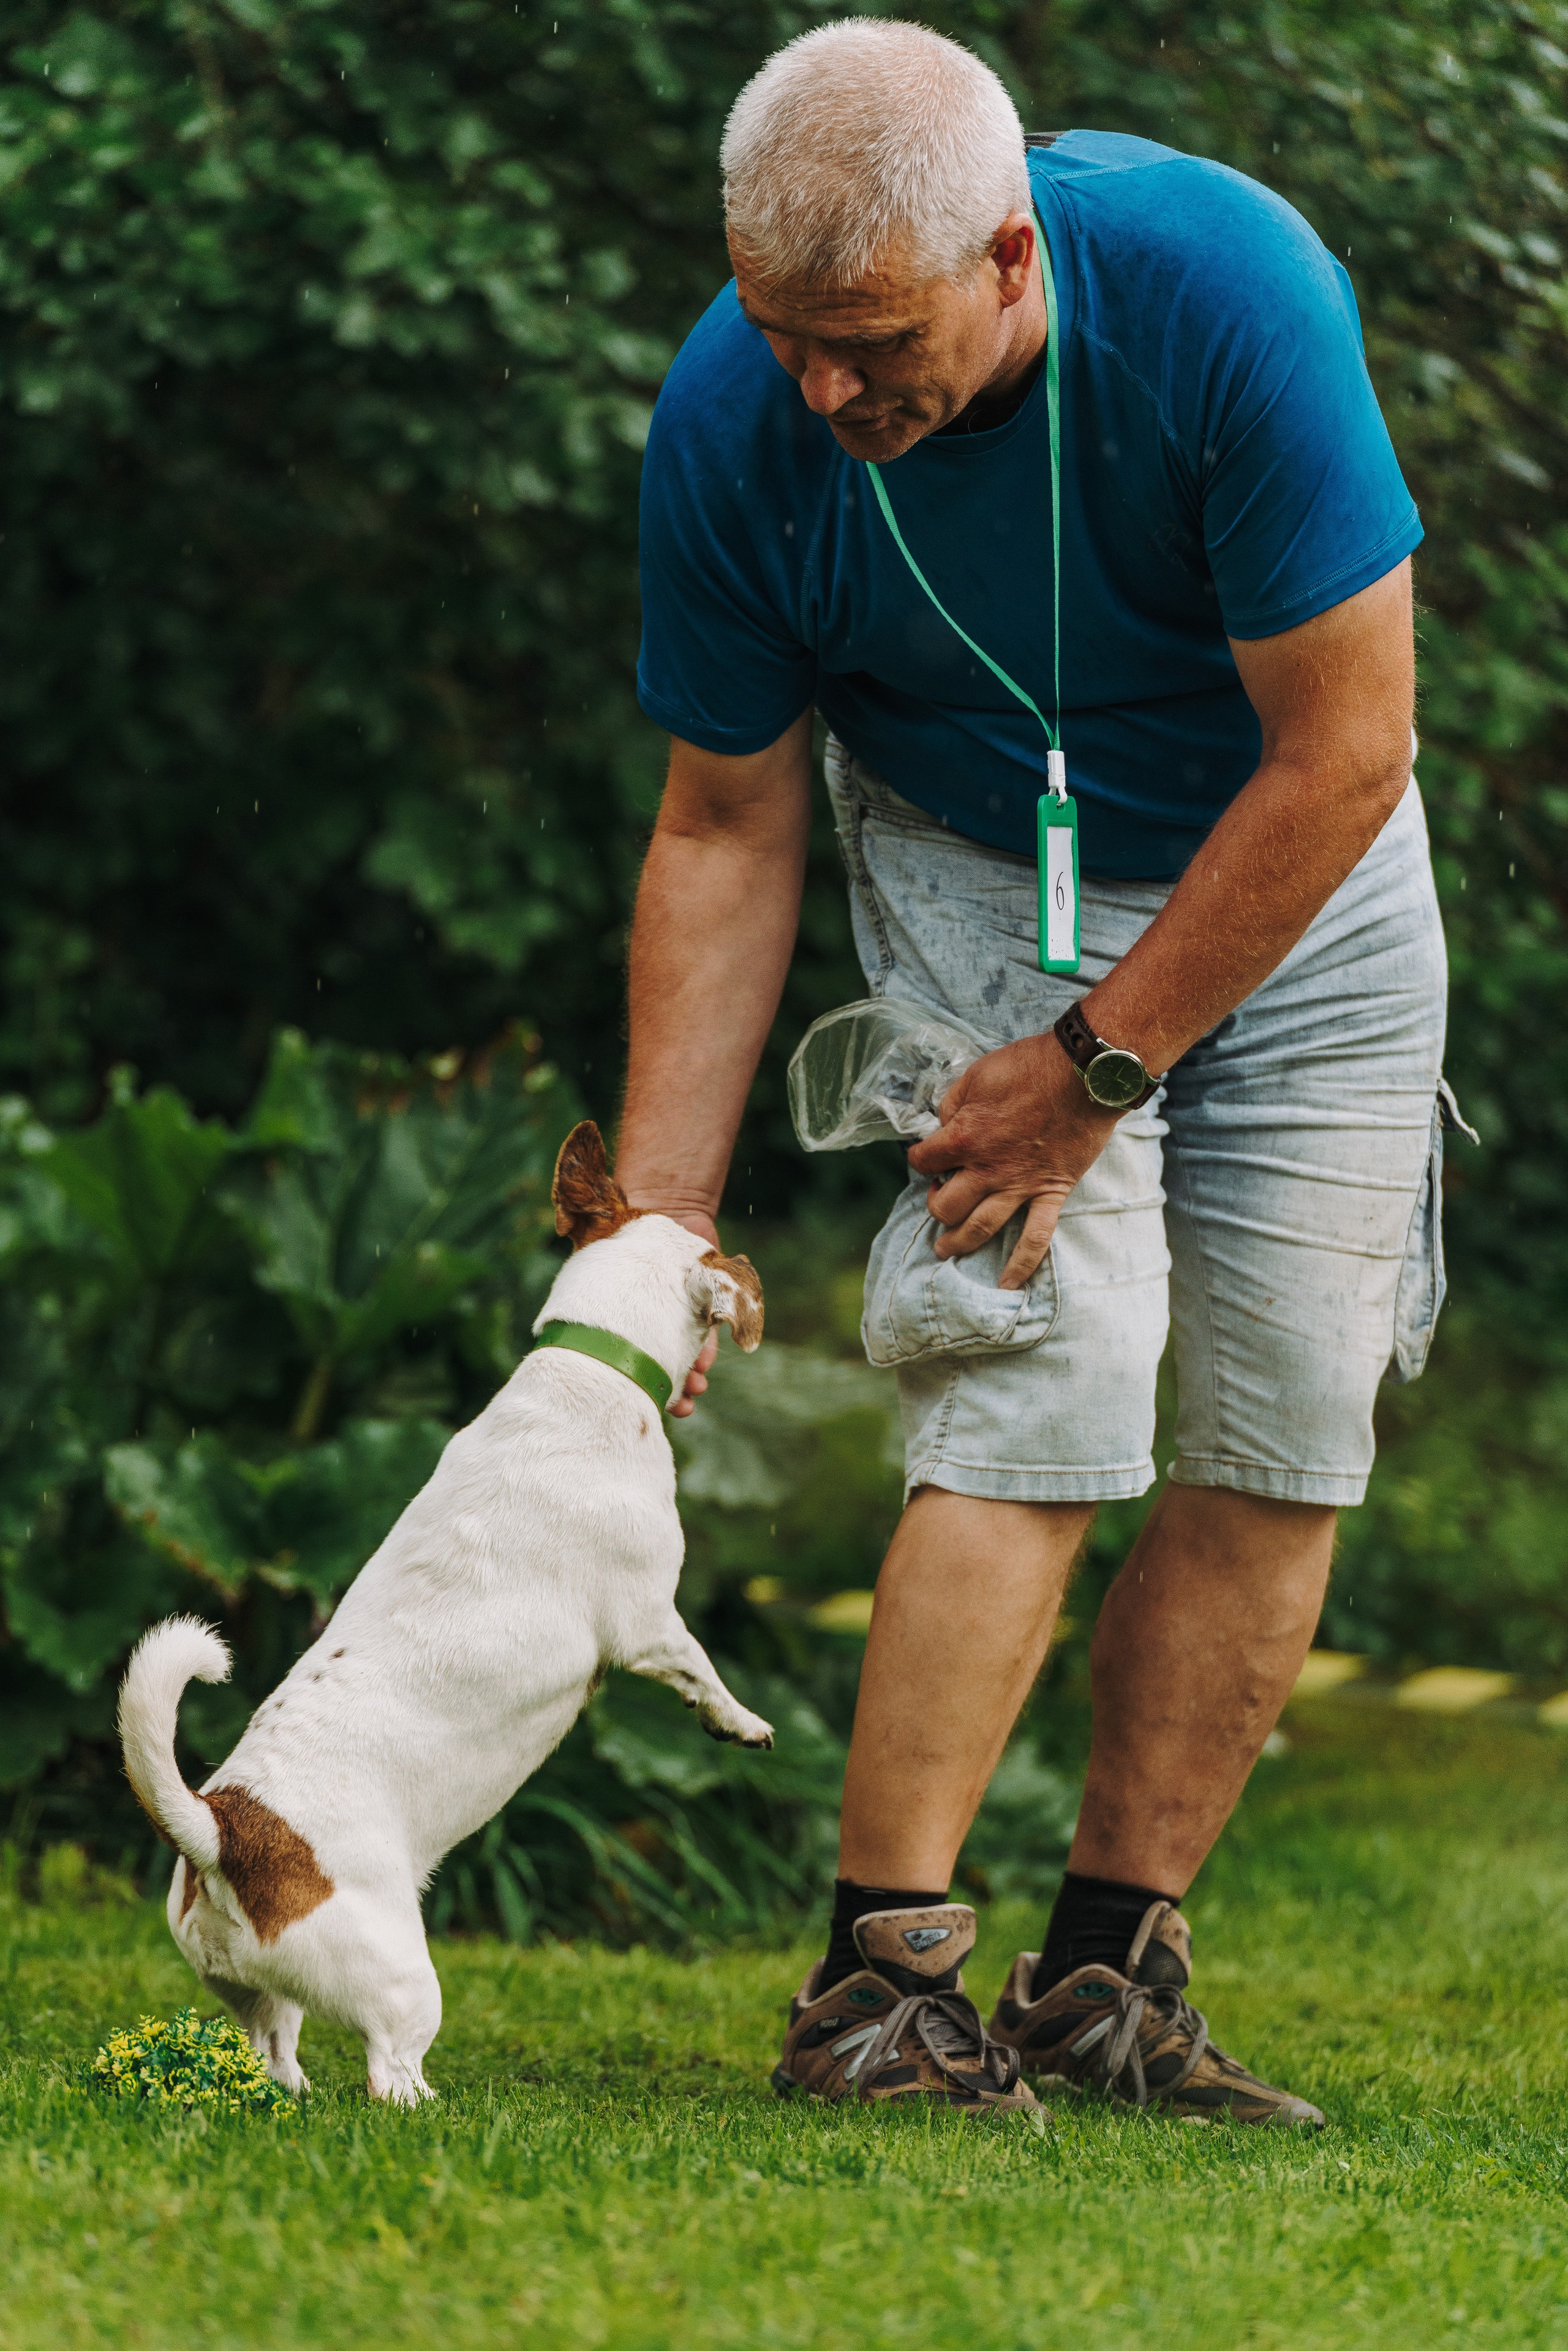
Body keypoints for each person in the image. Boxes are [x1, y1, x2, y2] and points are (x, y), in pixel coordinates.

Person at [618, 17, 1460, 2124]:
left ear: (1009, 257)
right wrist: (659, 1225)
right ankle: (881, 1984)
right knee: (1040, 1351)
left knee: (1291, 1406)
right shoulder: (738, 421)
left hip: (1308, 852)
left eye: (869, 338)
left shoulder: (1222, 296)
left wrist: (1094, 1067)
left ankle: (1110, 1985)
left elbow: (1350, 747)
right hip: (991, 850)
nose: (822, 391)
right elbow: (724, 825)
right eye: (779, 330)